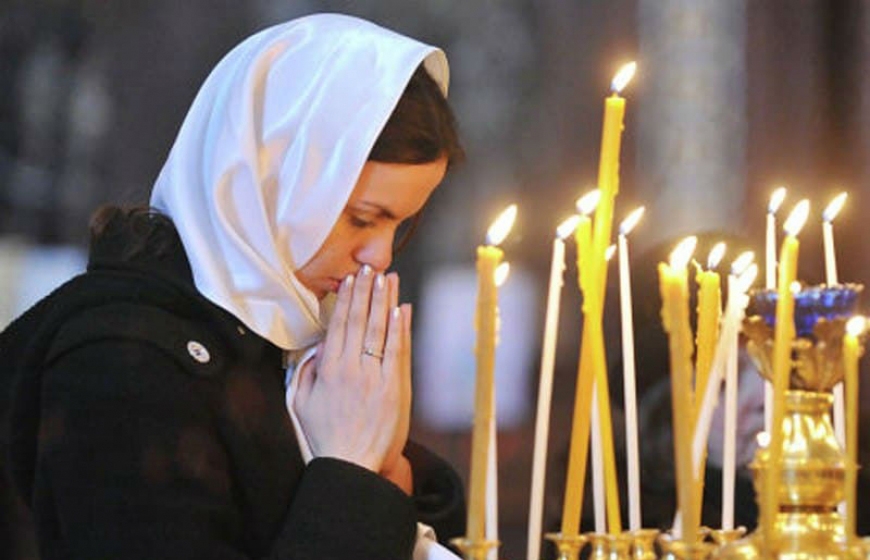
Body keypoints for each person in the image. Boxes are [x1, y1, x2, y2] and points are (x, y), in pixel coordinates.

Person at [0, 13, 467, 559]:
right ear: (267, 180)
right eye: (361, 218)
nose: (380, 257)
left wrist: (390, 469)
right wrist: (355, 475)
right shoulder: (115, 363)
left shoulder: (290, 338)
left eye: (401, 225)